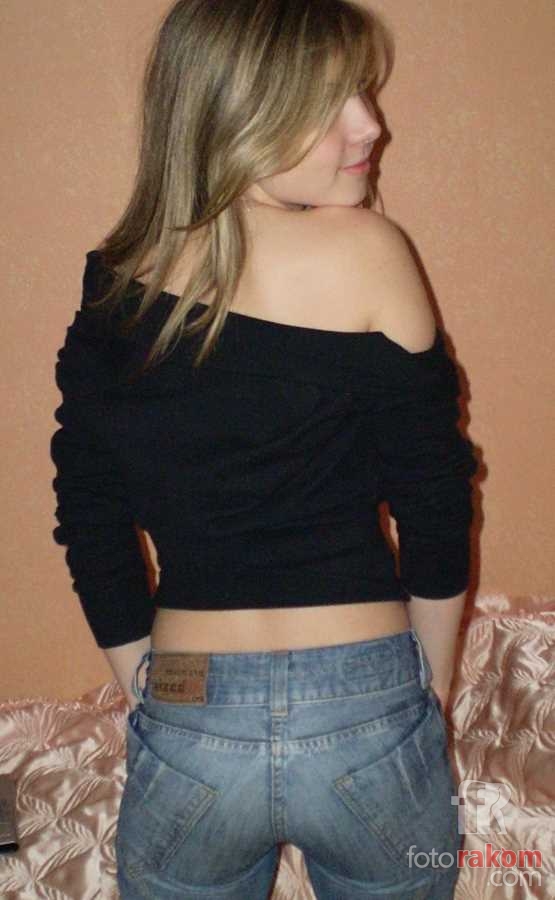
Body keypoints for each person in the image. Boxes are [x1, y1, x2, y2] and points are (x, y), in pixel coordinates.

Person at [49, 1, 479, 897]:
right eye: (328, 101)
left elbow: (91, 519)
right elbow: (434, 502)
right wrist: (427, 694)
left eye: (362, 92)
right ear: (236, 112)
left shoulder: (115, 286)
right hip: (365, 704)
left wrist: (152, 694)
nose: (371, 124)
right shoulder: (368, 249)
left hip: (189, 707)